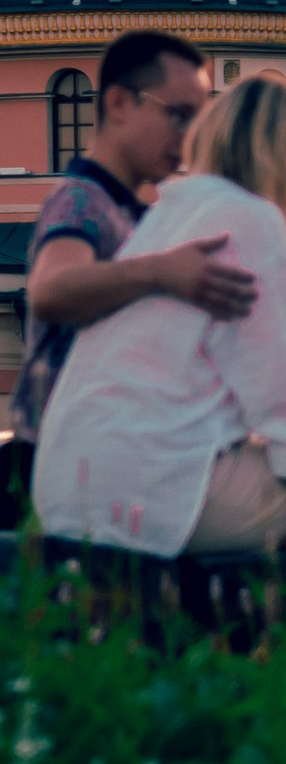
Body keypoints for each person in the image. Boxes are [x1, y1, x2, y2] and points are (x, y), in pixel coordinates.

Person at [34, 69, 286, 558]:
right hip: (154, 491)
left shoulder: (166, 220)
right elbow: (277, 394)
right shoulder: (255, 223)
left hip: (66, 490)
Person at [12, 29, 243, 439]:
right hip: (61, 460)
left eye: (198, 122)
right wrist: (160, 272)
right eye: (179, 115)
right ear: (118, 102)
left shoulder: (134, 212)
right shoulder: (81, 200)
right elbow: (49, 290)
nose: (188, 138)